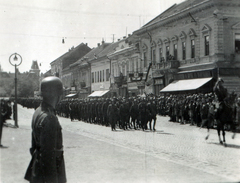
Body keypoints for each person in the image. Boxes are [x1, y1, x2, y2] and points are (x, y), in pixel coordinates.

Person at [24, 76, 67, 183]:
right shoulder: (49, 118)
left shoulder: (38, 111)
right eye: (60, 94)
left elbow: (33, 147)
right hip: (47, 174)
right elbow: (49, 157)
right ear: (56, 95)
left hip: (37, 169)